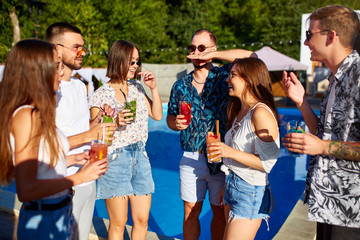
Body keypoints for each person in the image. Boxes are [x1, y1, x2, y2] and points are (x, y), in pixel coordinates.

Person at [0, 39, 108, 240]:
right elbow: (26, 189)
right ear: (37, 71)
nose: (61, 72)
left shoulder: (39, 113)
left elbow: (42, 167)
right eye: (56, 66)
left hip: (60, 213)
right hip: (44, 219)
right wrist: (79, 178)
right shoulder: (26, 116)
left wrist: (73, 160)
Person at [167, 29, 256, 240]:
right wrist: (175, 123)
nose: (196, 53)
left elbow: (252, 57)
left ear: (213, 50)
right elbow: (170, 118)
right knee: (190, 211)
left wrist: (213, 55)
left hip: (220, 155)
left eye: (202, 48)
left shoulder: (226, 76)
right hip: (191, 156)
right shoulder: (180, 86)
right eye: (192, 48)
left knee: (219, 212)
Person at [281, 5, 360, 239]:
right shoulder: (335, 80)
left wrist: (323, 147)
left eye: (309, 35)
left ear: (331, 36)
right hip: (327, 203)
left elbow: (324, 144)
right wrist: (302, 102)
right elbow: (324, 136)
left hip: (350, 208)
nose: (306, 43)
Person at [45, 22, 116, 240]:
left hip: (87, 178)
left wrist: (96, 122)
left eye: (82, 47)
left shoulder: (77, 85)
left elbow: (76, 126)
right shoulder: (47, 90)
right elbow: (44, 143)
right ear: (57, 49)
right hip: (62, 183)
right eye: (77, 47)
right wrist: (89, 135)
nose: (82, 52)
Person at [89, 40, 162, 240]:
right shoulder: (101, 95)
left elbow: (156, 115)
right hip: (115, 159)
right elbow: (96, 136)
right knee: (118, 224)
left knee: (142, 221)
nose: (135, 66)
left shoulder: (137, 87)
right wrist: (114, 120)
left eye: (137, 62)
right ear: (118, 60)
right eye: (131, 62)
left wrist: (153, 88)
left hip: (140, 156)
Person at [207, 57, 280, 240]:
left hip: (251, 191)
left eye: (232, 75)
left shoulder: (260, 113)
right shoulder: (240, 110)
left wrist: (228, 151)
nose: (227, 79)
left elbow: (268, 163)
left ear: (248, 79)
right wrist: (227, 184)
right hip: (233, 186)